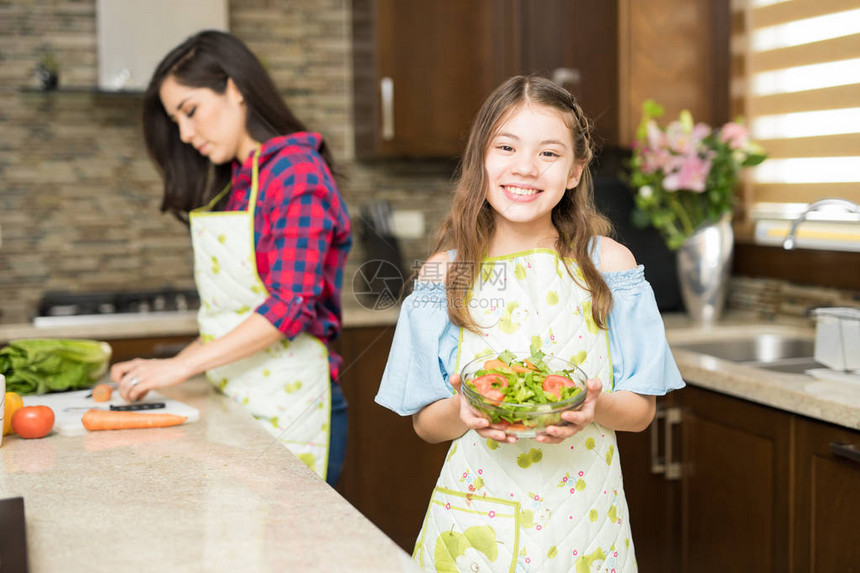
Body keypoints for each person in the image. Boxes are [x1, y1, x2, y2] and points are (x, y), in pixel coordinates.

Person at [375, 75, 685, 572]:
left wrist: (593, 404)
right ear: (482, 159)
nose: (525, 167)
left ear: (574, 171)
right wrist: (464, 410)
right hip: (474, 522)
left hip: (586, 523)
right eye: (506, 146)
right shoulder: (443, 275)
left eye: (548, 153)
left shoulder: (612, 266)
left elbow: (641, 411)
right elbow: (426, 426)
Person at [111, 31, 352, 487]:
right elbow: (235, 316)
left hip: (293, 410)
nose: (184, 134)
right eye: (175, 120)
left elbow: (290, 306)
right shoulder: (241, 182)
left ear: (234, 88)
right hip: (239, 399)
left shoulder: (295, 172)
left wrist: (180, 367)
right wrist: (164, 369)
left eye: (190, 111)